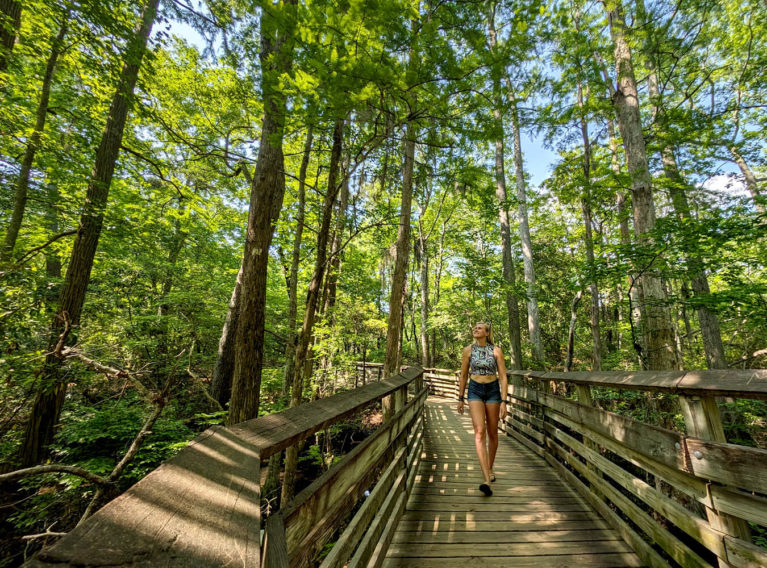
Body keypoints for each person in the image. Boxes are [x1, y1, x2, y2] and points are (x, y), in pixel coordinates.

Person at [457, 322, 508, 497]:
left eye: (480, 328)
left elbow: (503, 377)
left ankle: (490, 467)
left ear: (487, 333)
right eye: (475, 328)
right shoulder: (468, 350)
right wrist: (460, 397)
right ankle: (486, 479)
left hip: (493, 390)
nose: (475, 329)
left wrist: (504, 401)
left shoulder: (496, 351)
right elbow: (464, 374)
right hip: (475, 390)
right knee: (480, 431)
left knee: (493, 432)